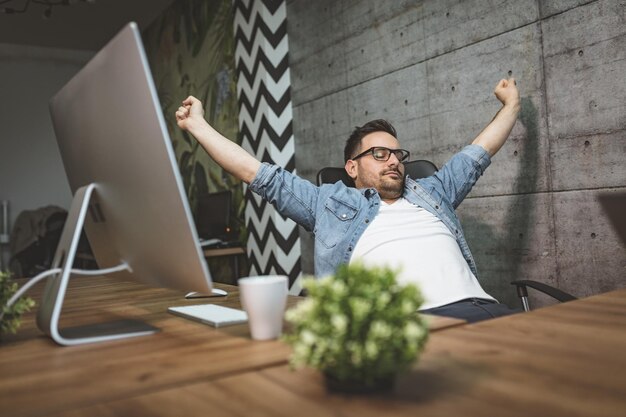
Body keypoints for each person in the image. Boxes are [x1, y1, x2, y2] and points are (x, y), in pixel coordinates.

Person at [176, 78, 521, 323]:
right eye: (380, 153)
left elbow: (478, 153)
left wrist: (511, 105)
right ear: (352, 167)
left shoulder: (434, 190)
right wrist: (198, 126)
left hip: (484, 311)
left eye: (397, 153)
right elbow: (256, 173)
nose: (394, 161)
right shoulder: (327, 203)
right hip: (401, 325)